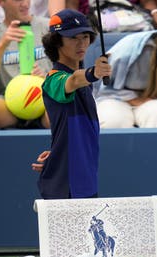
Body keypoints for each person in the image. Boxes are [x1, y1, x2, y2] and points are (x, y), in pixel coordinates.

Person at [32, 8, 111, 199]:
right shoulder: (53, 80)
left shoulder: (85, 85)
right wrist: (94, 73)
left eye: (85, 36)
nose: (81, 43)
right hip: (65, 185)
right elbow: (73, 80)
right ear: (57, 41)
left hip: (86, 179)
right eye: (73, 37)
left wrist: (58, 152)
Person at [0, 0, 52, 130]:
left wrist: (47, 78)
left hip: (44, 100)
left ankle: (65, 151)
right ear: (0, 2)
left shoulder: (48, 27)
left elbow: (68, 73)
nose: (25, 4)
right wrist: (2, 45)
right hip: (9, 103)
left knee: (59, 110)